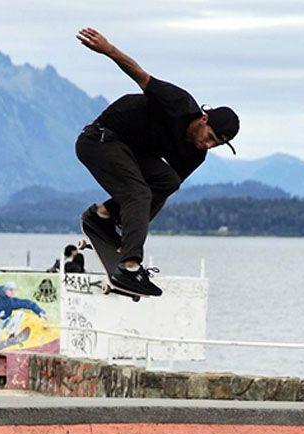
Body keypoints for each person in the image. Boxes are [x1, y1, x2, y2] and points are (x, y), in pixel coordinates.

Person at [74, 27, 239, 297]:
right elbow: (139, 75)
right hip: (100, 139)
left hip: (131, 152)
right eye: (208, 137)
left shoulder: (195, 154)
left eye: (215, 144)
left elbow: (157, 195)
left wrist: (130, 234)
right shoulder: (179, 103)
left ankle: (102, 217)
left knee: (167, 181)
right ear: (203, 119)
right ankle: (129, 267)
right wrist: (107, 48)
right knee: (137, 191)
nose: (207, 145)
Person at [0, 282, 46, 350]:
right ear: (5, 290)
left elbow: (27, 303)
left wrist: (40, 312)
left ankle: (12, 335)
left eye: (14, 290)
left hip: (7, 322)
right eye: (11, 290)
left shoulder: (12, 302)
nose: (13, 292)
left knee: (20, 314)